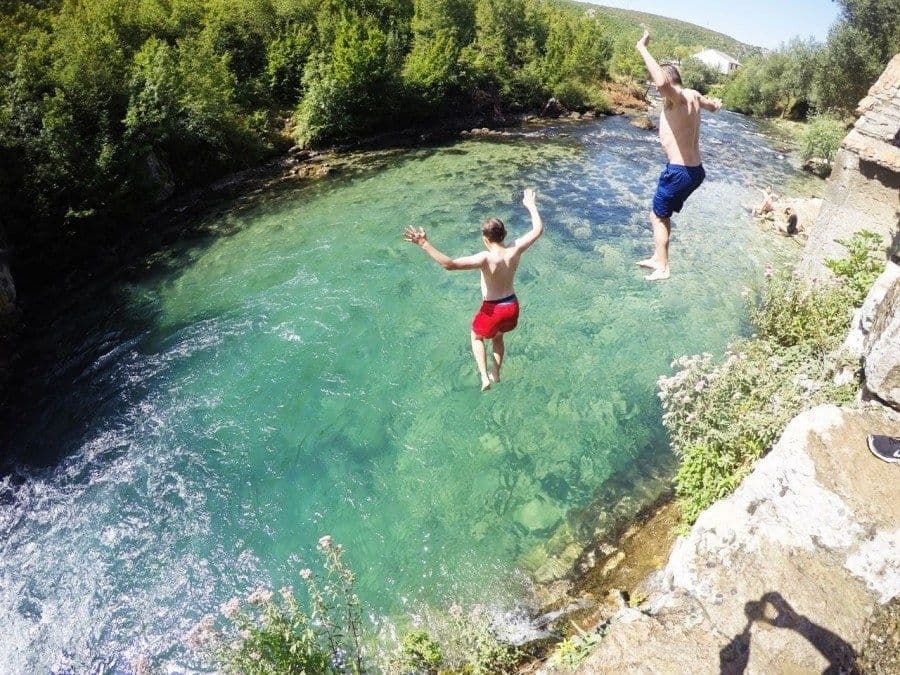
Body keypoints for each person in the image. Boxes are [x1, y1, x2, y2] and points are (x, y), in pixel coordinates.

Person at [403, 189, 543, 391]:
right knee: (498, 336)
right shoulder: (515, 248)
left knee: (476, 336)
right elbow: (537, 230)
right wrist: (531, 205)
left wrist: (424, 243)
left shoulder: (485, 258)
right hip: (511, 305)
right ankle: (496, 372)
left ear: (485, 239)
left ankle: (485, 377)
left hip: (493, 308)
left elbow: (449, 264)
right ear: (504, 234)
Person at [634, 27, 722, 281]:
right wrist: (716, 104)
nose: (654, 86)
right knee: (662, 214)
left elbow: (662, 84)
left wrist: (642, 47)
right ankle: (658, 257)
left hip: (680, 171)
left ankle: (663, 267)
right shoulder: (692, 94)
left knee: (657, 215)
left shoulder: (675, 97)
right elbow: (713, 107)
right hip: (694, 171)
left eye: (655, 80)